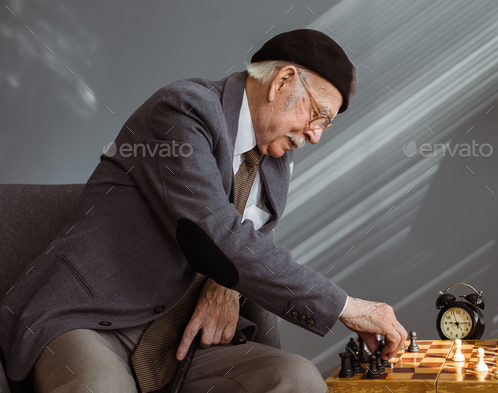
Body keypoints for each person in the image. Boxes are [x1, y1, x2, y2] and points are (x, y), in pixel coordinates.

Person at [0, 29, 407, 392]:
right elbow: (213, 232)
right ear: (283, 80)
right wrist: (346, 307)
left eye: (326, 125)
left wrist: (225, 283)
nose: (316, 136)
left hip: (185, 340)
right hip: (92, 320)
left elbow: (247, 242)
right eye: (318, 115)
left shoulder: (276, 156)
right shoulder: (183, 110)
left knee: (297, 380)